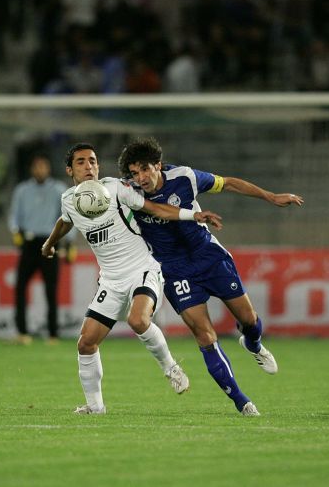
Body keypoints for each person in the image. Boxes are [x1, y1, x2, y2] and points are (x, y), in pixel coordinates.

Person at [118, 137, 304, 416]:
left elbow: (228, 183)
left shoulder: (185, 177)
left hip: (209, 256)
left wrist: (271, 196)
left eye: (145, 169)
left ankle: (252, 343)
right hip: (174, 270)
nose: (140, 178)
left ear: (158, 164)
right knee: (205, 335)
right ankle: (242, 402)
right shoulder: (128, 193)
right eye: (134, 173)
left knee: (249, 320)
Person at [41, 142, 223, 415]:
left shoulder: (115, 189)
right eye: (81, 162)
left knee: (138, 320)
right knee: (86, 343)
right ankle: (95, 407)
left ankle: (170, 368)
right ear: (69, 170)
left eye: (93, 160)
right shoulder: (69, 199)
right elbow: (65, 221)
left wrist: (192, 214)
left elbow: (153, 208)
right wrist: (49, 244)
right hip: (111, 281)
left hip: (143, 269)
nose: (89, 166)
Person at [8, 153, 73, 345]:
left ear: (48, 168)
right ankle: (22, 333)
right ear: (32, 169)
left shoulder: (59, 190)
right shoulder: (22, 190)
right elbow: (14, 215)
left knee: (51, 289)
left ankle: (53, 334)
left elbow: (68, 217)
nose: (40, 170)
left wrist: (69, 242)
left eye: (43, 166)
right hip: (28, 242)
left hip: (50, 241)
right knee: (20, 286)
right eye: (37, 167)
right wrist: (15, 231)